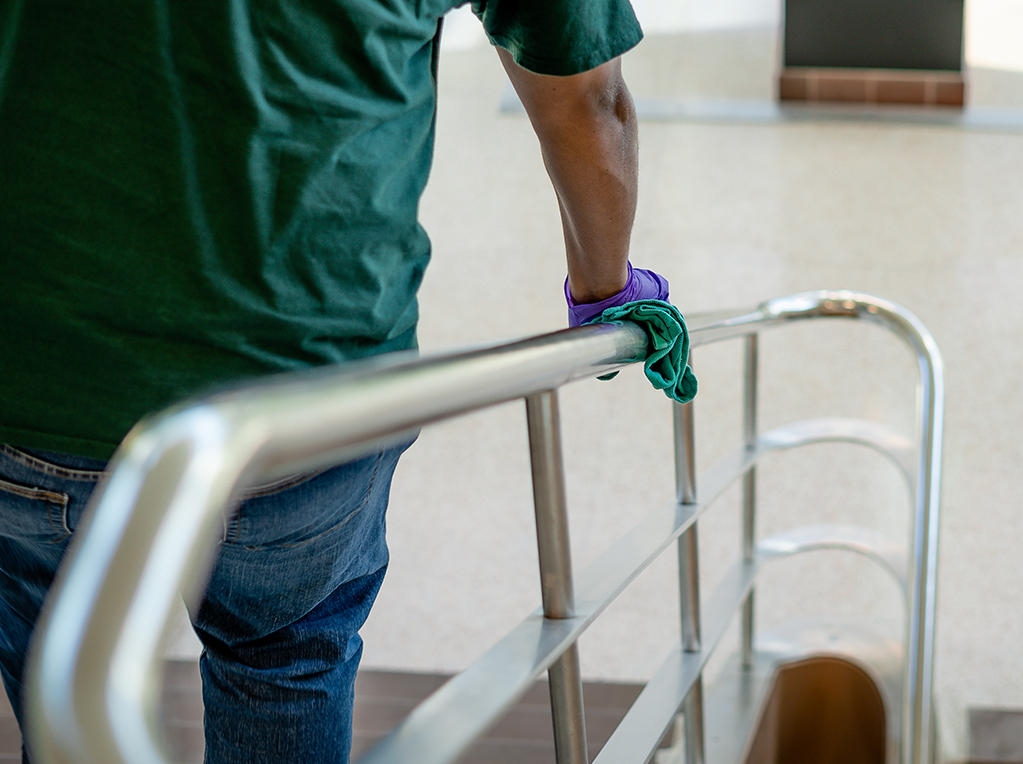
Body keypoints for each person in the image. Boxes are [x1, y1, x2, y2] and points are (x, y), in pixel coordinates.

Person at [0, 1, 669, 762]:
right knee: (285, 664)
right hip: (310, 381)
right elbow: (588, 100)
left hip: (37, 375)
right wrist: (607, 294)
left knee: (70, 690)